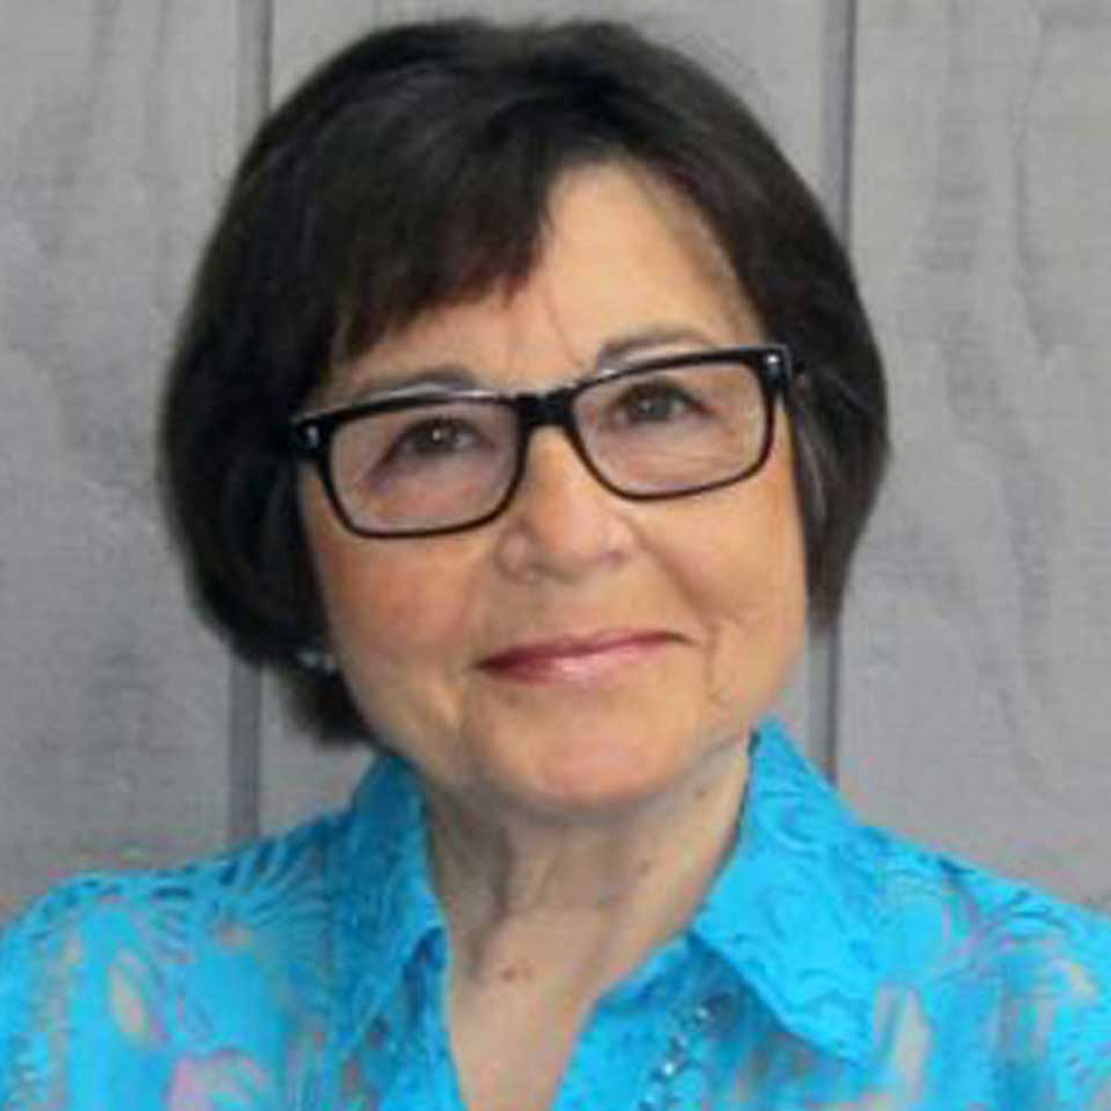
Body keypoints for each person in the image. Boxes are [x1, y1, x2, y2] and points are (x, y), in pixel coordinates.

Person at [2, 15, 1110, 1111]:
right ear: (287, 536)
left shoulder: (1058, 1046)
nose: (570, 535)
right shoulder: (75, 1028)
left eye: (657, 404)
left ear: (810, 459)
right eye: (433, 437)